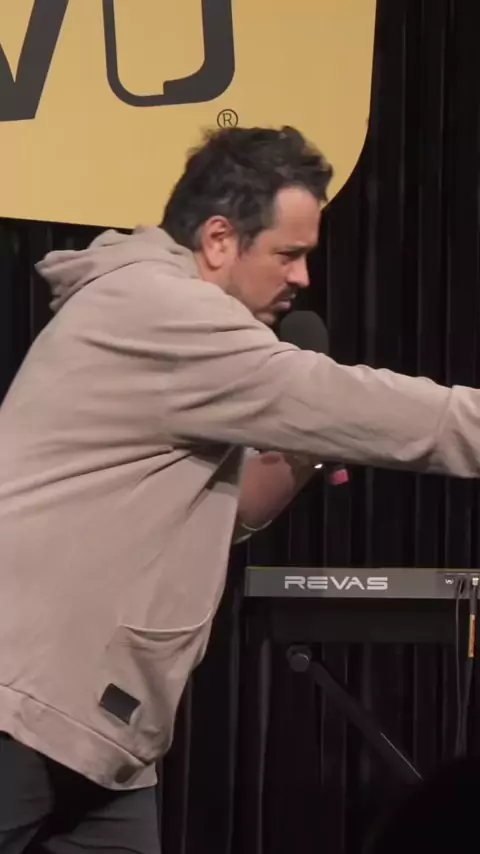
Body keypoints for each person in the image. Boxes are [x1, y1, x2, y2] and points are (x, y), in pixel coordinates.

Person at [0, 124, 479, 854]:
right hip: (24, 702)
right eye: (288, 254)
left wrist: (310, 440)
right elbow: (383, 410)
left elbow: (238, 511)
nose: (303, 278)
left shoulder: (170, 327)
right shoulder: (161, 310)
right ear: (220, 239)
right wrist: (324, 416)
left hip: (101, 735)